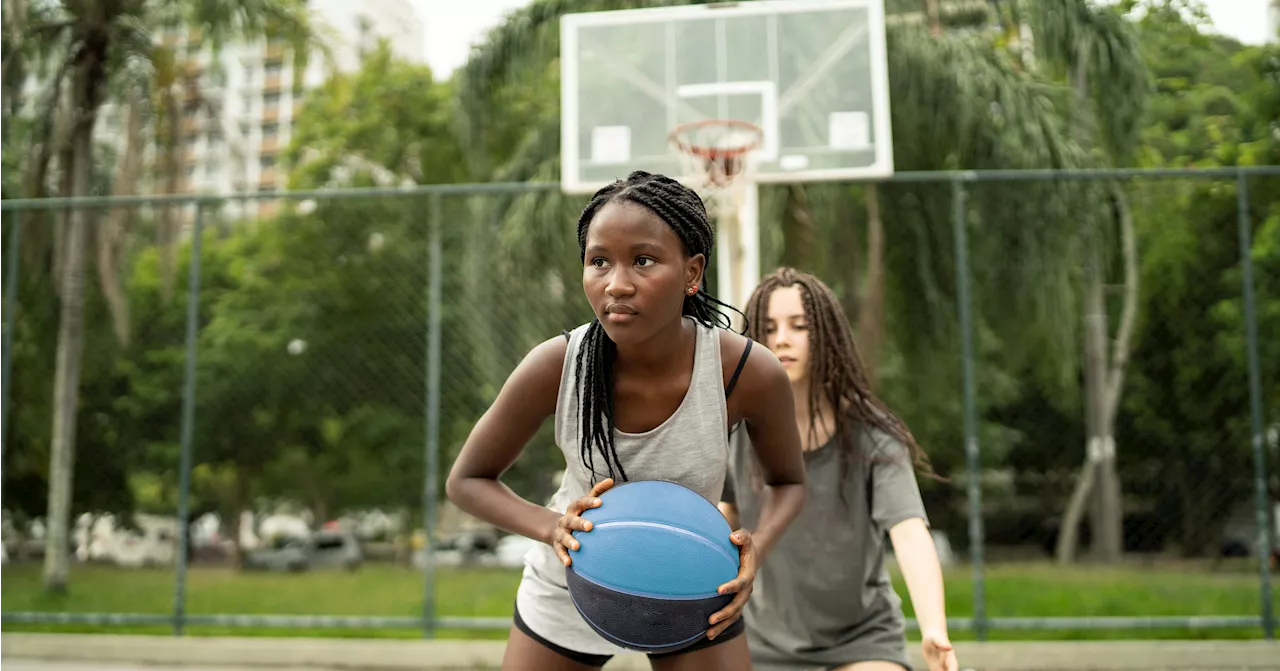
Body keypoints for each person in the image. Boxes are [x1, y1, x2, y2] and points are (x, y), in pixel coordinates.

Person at [446, 170, 808, 671]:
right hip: (575, 577)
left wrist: (754, 554)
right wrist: (553, 527)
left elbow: (788, 483)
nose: (617, 284)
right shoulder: (556, 365)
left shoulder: (746, 371)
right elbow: (466, 481)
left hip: (694, 576)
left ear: (692, 272)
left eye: (643, 260)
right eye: (599, 262)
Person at [718, 267, 958, 671]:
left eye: (799, 326)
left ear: (827, 335)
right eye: (770, 327)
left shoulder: (873, 435)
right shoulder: (736, 430)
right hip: (761, 645)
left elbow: (910, 533)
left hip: (862, 639)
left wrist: (934, 627)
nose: (782, 339)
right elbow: (723, 521)